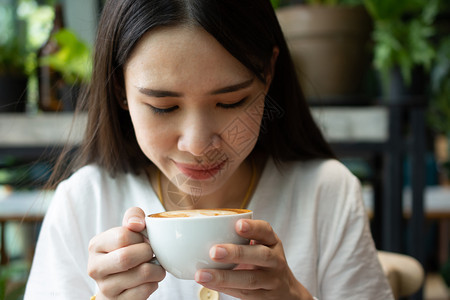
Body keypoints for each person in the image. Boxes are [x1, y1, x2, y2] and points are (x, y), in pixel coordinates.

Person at [25, 0, 394, 299]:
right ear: (121, 89)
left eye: (231, 101)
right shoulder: (83, 202)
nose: (198, 144)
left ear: (268, 74)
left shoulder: (325, 194)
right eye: (164, 107)